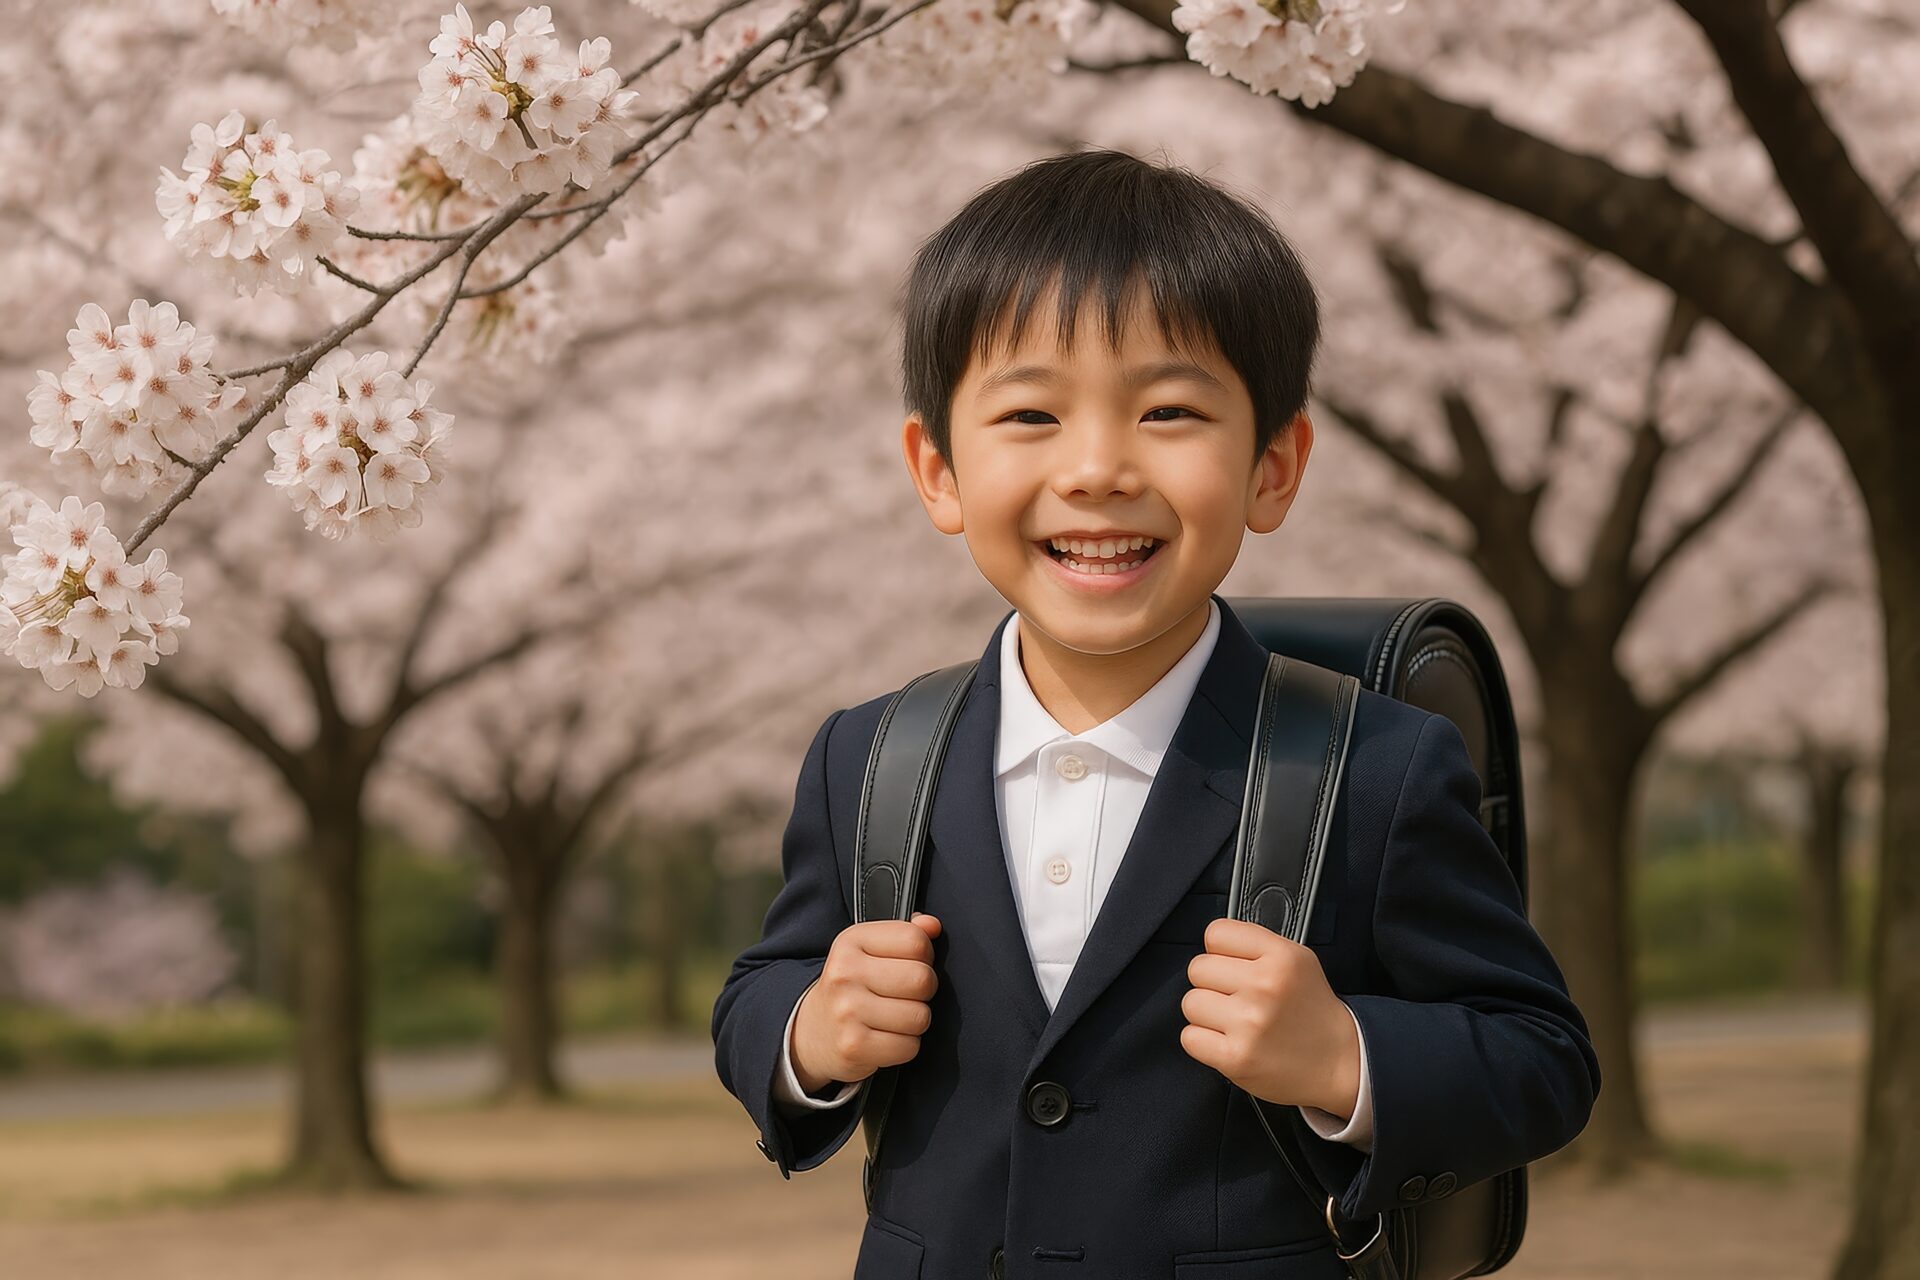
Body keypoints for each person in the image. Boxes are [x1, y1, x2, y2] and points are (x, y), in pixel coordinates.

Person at [710, 146, 1599, 1279]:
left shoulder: (1372, 765)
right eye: (1030, 412)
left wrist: (1345, 1055)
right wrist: (809, 1033)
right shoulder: (872, 758)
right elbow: (759, 990)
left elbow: (1542, 1058)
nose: (1097, 469)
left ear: (1274, 466)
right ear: (936, 469)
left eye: (1169, 410)